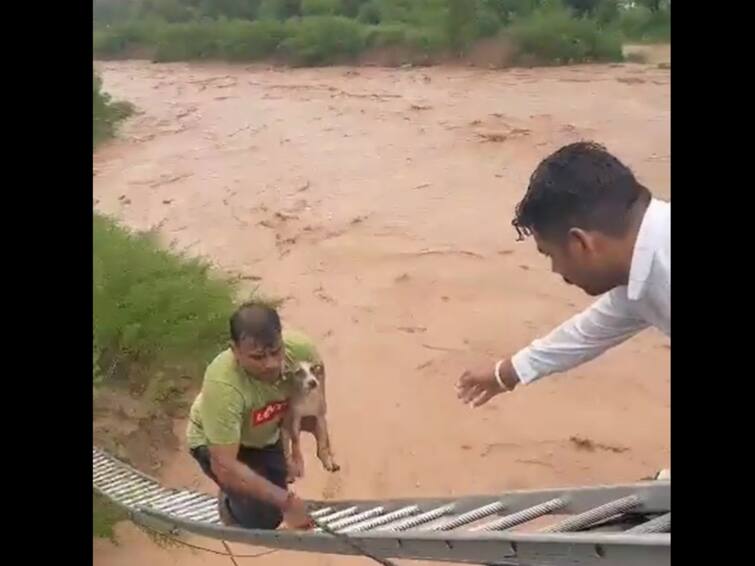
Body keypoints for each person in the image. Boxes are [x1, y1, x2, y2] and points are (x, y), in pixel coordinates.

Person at [456, 142, 670, 437]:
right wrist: (505, 374)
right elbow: (589, 332)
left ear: (580, 243)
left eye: (551, 255)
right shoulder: (643, 264)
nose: (557, 270)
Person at [186, 302, 322, 529]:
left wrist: (292, 452)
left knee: (278, 486)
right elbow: (225, 465)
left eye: (275, 352)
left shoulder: (301, 353)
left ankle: (254, 486)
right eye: (258, 357)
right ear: (235, 350)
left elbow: (310, 408)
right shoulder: (224, 386)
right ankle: (228, 506)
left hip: (262, 430)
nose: (271, 364)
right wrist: (286, 502)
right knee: (265, 519)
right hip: (217, 443)